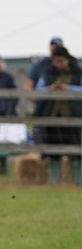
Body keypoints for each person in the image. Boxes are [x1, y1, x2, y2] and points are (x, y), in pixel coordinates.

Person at [32, 46, 82, 185]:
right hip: (52, 117)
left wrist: (69, 88)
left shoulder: (77, 74)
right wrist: (50, 89)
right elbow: (38, 91)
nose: (58, 64)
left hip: (73, 117)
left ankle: (78, 181)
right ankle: (55, 181)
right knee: (53, 152)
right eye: (56, 61)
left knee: (77, 150)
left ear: (67, 60)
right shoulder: (47, 74)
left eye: (61, 61)